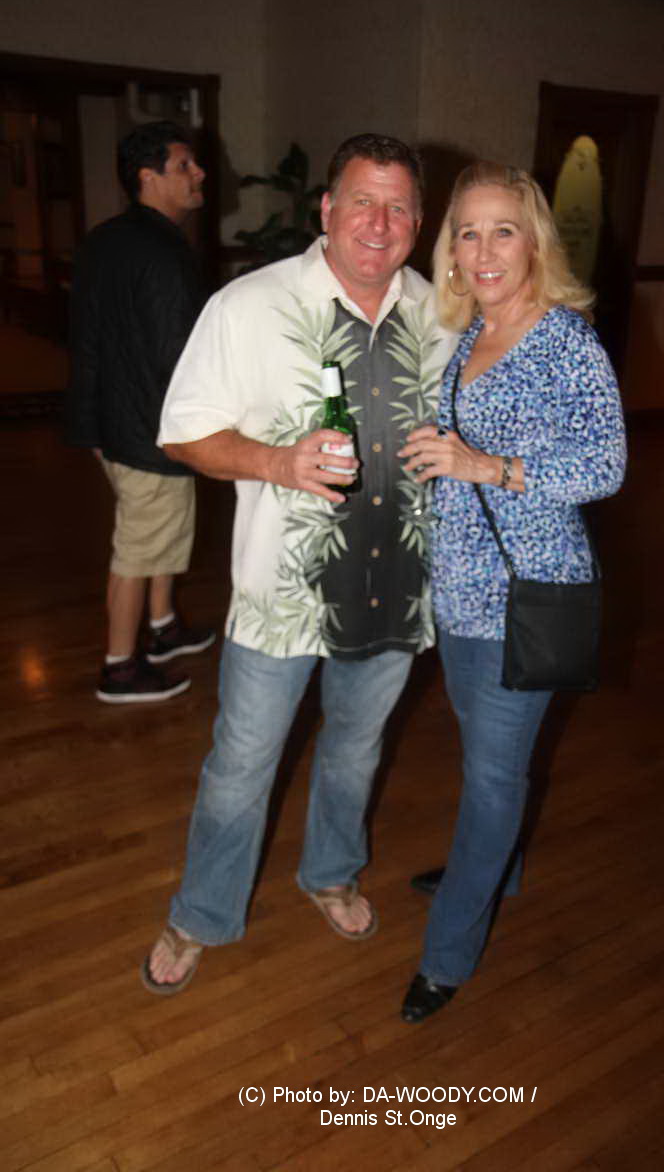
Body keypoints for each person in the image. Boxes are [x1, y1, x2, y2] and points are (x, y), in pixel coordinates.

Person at [142, 133, 456, 994]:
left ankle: (330, 871)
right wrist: (278, 462)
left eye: (398, 208)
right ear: (326, 208)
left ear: (419, 221)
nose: (379, 223)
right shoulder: (249, 305)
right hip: (282, 595)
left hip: (397, 586)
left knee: (356, 748)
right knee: (242, 763)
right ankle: (202, 911)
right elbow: (182, 432)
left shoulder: (444, 314)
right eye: (362, 201)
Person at [397, 162, 626, 1022]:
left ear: (534, 242)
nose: (484, 249)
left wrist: (487, 465)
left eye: (503, 230)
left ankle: (447, 955)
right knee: (486, 757)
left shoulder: (565, 340)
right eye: (468, 232)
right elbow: (466, 449)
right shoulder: (472, 332)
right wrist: (440, 451)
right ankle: (493, 865)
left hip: (526, 594)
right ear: (451, 250)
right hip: (461, 589)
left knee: (494, 779)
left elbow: (606, 465)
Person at [67, 120, 215, 704]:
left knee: (159, 534)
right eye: (184, 166)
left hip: (110, 422)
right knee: (139, 547)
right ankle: (120, 667)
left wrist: (89, 422)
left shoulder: (105, 238)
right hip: (149, 429)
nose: (199, 173)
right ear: (148, 177)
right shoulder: (164, 253)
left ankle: (162, 628)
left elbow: (85, 336)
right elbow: (179, 355)